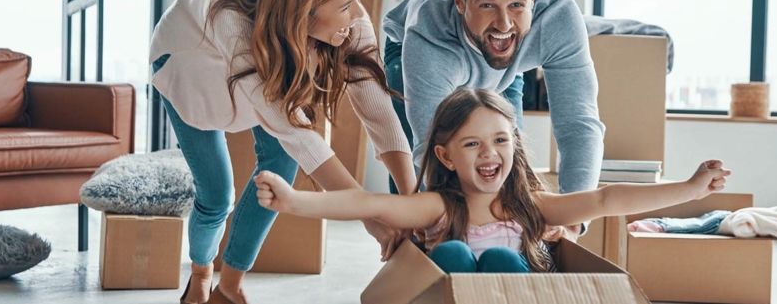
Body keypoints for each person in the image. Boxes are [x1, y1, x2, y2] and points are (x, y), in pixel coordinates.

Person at [255, 89, 731, 273]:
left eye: (501, 141)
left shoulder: (533, 207)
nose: (490, 154)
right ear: (444, 155)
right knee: (453, 253)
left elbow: (607, 198)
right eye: (472, 144)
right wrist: (296, 202)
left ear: (514, 145)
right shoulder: (439, 206)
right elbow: (369, 205)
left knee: (504, 255)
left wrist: (689, 190)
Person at [149, 0, 417, 302]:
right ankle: (201, 274)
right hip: (190, 71)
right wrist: (370, 216)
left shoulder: (348, 17)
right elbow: (297, 135)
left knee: (281, 169)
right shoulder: (231, 18)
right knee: (217, 198)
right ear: (302, 12)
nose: (360, 14)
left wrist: (413, 205)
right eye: (346, 7)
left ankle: (230, 287)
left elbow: (380, 113)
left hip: (260, 75)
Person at [383, 0, 606, 240]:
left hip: (505, 64)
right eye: (487, 5)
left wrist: (571, 224)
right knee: (426, 202)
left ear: (532, 0)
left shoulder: (558, 16)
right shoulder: (429, 33)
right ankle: (410, 256)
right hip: (415, 52)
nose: (504, 24)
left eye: (517, 5)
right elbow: (432, 147)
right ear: (460, 3)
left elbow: (579, 124)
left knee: (508, 166)